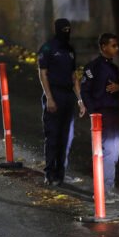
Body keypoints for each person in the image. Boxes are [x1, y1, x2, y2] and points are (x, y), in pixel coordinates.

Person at [81, 33, 119, 203]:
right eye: (113, 45)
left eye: (117, 45)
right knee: (106, 151)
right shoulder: (92, 67)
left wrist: (118, 88)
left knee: (113, 153)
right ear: (103, 47)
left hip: (114, 112)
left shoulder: (113, 68)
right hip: (102, 113)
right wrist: (93, 113)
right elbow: (85, 91)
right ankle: (103, 191)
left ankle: (109, 188)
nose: (117, 48)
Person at [38, 18, 86, 186]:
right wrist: (49, 98)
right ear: (57, 29)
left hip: (67, 97)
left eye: (68, 29)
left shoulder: (70, 50)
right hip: (54, 94)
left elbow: (74, 77)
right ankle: (49, 174)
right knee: (52, 136)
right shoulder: (48, 48)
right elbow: (43, 74)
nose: (67, 32)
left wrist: (80, 100)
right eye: (64, 29)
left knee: (65, 138)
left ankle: (60, 174)